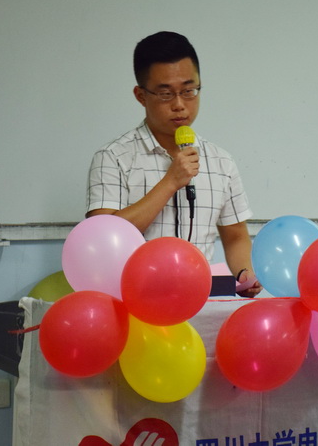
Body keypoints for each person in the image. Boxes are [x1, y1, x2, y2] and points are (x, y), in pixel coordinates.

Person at [86, 31, 262, 297]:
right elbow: (102, 238)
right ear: (141, 95)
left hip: (201, 304)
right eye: (166, 94)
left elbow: (236, 236)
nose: (180, 105)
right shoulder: (113, 157)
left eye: (189, 91)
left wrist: (244, 273)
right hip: (135, 304)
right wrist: (170, 182)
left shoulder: (221, 161)